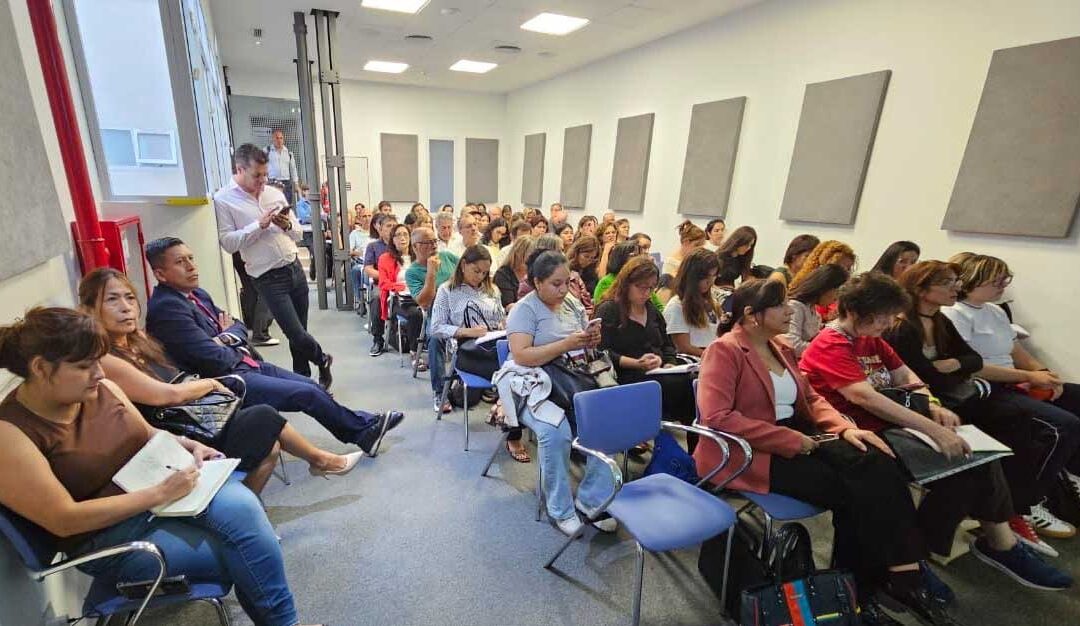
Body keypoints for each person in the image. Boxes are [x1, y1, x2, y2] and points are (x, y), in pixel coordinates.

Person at [0, 307, 323, 626]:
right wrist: (157, 494)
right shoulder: (11, 433)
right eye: (85, 366)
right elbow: (64, 519)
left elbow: (149, 435)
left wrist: (189, 445)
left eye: (99, 362)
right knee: (242, 548)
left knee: (247, 514)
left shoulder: (101, 390)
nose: (99, 374)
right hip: (108, 536)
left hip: (159, 497)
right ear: (41, 368)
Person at [696, 279, 959, 623]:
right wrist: (789, 441)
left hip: (798, 434)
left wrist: (846, 428)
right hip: (750, 450)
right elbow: (718, 417)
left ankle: (874, 583)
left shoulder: (780, 348)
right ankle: (876, 585)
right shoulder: (726, 350)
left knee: (877, 462)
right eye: (781, 306)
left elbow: (813, 399)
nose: (790, 312)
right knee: (860, 492)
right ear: (752, 315)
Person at [799, 272, 1072, 591]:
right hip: (861, 433)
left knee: (978, 459)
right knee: (961, 463)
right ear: (856, 313)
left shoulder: (869, 338)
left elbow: (907, 376)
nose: (888, 324)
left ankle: (990, 547)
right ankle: (933, 557)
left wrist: (932, 404)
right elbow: (864, 397)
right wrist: (933, 428)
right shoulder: (830, 343)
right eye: (883, 317)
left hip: (893, 424)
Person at [79, 268, 362, 491]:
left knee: (272, 445)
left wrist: (221, 342)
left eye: (129, 298)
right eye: (112, 299)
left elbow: (236, 326)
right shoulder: (105, 357)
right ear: (91, 309)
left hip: (192, 415)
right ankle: (322, 460)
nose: (126, 307)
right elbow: (167, 395)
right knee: (265, 415)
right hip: (167, 436)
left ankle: (250, 516)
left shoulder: (139, 339)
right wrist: (212, 384)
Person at [887, 261, 1078, 556]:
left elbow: (971, 359)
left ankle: (1014, 510)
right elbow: (921, 375)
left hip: (955, 395)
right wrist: (953, 368)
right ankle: (1002, 520)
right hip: (932, 401)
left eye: (956, 282)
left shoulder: (940, 320)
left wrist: (953, 364)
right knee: (980, 456)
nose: (956, 288)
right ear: (922, 290)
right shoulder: (903, 327)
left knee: (1019, 429)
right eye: (948, 283)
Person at [144, 238, 403, 456]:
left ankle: (364, 428)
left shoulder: (196, 294)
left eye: (191, 258)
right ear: (160, 274)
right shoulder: (167, 309)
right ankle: (363, 431)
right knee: (308, 395)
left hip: (244, 362)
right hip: (226, 380)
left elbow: (237, 326)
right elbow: (214, 359)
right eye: (180, 262)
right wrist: (228, 337)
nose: (191, 266)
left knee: (311, 385)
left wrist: (225, 336)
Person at [942, 254, 1080, 529]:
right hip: (987, 388)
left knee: (1076, 397)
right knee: (1063, 425)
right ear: (973, 280)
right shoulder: (954, 314)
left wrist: (1044, 375)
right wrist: (1027, 377)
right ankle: (1024, 504)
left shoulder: (994, 311)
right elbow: (973, 367)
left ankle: (1067, 480)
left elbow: (1017, 350)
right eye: (997, 280)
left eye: (1005, 279)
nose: (1003, 285)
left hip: (1016, 380)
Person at [505, 251, 616, 535]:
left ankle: (593, 500)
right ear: (536, 282)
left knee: (604, 426)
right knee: (556, 434)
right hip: (533, 386)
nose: (564, 289)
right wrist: (566, 344)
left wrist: (591, 339)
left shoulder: (572, 304)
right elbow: (521, 356)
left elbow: (583, 347)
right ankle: (560, 508)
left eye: (567, 282)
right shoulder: (524, 310)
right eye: (556, 284)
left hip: (572, 380)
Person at [214, 144, 333, 387]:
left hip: (293, 267)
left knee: (299, 332)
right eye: (256, 175)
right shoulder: (224, 200)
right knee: (295, 332)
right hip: (267, 277)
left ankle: (304, 382)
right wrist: (259, 225)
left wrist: (286, 225)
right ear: (239, 169)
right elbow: (228, 243)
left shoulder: (274, 194)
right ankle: (322, 359)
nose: (263, 180)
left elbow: (298, 233)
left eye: (265, 174)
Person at [430, 246, 525, 459]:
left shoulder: (492, 289)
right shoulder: (447, 290)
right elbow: (435, 328)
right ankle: (512, 431)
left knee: (519, 365)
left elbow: (500, 317)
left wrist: (505, 323)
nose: (480, 276)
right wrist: (467, 331)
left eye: (485, 272)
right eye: (476, 271)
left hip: (495, 344)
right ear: (463, 265)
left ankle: (506, 412)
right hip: (467, 348)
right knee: (515, 372)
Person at [596, 256, 696, 437]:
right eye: (641, 287)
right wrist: (636, 363)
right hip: (625, 373)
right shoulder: (610, 310)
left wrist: (668, 363)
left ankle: (692, 446)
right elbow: (602, 352)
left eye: (651, 288)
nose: (646, 293)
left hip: (656, 372)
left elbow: (667, 345)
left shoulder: (652, 310)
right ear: (627, 284)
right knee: (677, 388)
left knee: (692, 384)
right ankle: (665, 441)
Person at [406, 227, 458, 411]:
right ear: (415, 247)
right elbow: (424, 301)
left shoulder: (449, 257)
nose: (434, 245)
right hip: (437, 315)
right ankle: (440, 392)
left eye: (434, 241)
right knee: (436, 340)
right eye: (428, 243)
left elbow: (467, 277)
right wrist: (431, 273)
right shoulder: (412, 272)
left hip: (460, 310)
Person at [663, 248, 720, 357]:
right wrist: (714, 357)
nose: (710, 281)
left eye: (713, 276)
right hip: (694, 363)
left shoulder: (712, 302)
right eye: (704, 277)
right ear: (692, 276)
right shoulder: (676, 305)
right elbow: (684, 347)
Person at [785, 264, 849, 358]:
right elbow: (791, 344)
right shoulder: (796, 307)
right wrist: (827, 349)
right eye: (837, 291)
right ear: (825, 288)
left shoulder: (814, 311)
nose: (837, 297)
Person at [379, 224, 423, 357]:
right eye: (398, 235)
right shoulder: (385, 258)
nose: (402, 238)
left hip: (420, 294)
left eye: (405, 234)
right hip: (400, 299)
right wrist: (402, 287)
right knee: (415, 314)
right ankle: (415, 353)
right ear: (392, 239)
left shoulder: (419, 257)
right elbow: (383, 283)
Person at [790, 240, 858, 322]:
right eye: (840, 267)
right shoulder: (798, 304)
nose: (845, 273)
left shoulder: (837, 291)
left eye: (848, 269)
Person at [364, 213, 398, 356]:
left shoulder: (402, 244)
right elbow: (368, 268)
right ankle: (378, 339)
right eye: (388, 226)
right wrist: (385, 277)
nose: (392, 229)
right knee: (377, 298)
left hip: (400, 283)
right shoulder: (373, 246)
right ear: (380, 229)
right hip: (381, 283)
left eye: (394, 226)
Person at [230, 251, 277, 347]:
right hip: (253, 253)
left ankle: (253, 324)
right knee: (266, 290)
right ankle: (260, 333)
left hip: (238, 254)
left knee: (249, 289)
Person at [658, 221, 707, 304]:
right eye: (697, 245)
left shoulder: (697, 259)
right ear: (686, 242)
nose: (700, 249)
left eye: (702, 246)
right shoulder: (671, 262)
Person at [494, 236, 536, 309]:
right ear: (518, 254)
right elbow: (508, 305)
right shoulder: (502, 274)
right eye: (530, 255)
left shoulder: (536, 273)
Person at [349, 204, 374, 314]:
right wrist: (358, 252)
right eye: (364, 216)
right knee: (355, 270)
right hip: (360, 261)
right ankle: (361, 301)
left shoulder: (376, 233)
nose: (367, 218)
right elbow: (349, 251)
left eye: (369, 216)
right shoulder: (354, 234)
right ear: (359, 218)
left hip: (375, 262)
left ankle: (372, 299)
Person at [266, 129, 299, 204]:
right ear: (273, 139)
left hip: (286, 183)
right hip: (273, 182)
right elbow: (262, 166)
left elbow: (293, 169)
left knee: (286, 205)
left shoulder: (289, 152)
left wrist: (296, 184)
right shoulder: (267, 151)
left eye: (281, 138)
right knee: (274, 205)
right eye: (277, 138)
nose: (279, 140)